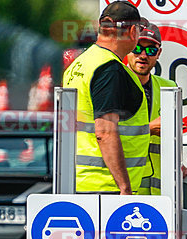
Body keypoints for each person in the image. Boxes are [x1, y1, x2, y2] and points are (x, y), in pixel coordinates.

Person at [62, 1, 149, 195]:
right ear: (133, 31)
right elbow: (105, 132)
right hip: (106, 186)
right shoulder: (109, 69)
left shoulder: (80, 63)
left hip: (79, 180)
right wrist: (124, 187)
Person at [126, 19, 181, 195]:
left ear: (159, 53)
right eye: (137, 48)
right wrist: (148, 129)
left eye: (150, 50)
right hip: (127, 189)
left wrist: (177, 164)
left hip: (160, 191)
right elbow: (106, 133)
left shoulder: (169, 87)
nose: (143, 55)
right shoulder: (115, 84)